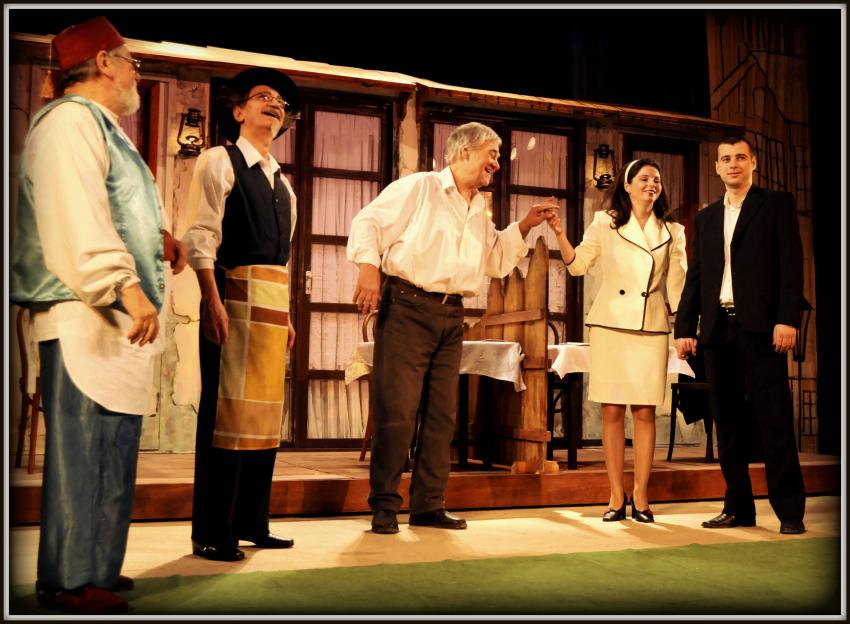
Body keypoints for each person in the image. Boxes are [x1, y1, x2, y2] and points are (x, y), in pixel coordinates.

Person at [10, 16, 186, 614]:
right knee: (83, 446)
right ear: (105, 62)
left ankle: (98, 569)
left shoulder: (103, 127)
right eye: (132, 60)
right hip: (83, 307)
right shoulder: (68, 122)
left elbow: (115, 208)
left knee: (114, 444)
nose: (136, 72)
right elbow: (76, 213)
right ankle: (68, 577)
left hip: (111, 310)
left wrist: (158, 241)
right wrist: (124, 286)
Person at [347, 122, 556, 534]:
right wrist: (368, 268)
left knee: (442, 416)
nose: (497, 163)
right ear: (464, 152)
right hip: (407, 305)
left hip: (451, 315)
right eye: (492, 154)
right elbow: (368, 222)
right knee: (397, 413)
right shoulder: (421, 187)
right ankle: (385, 506)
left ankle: (428, 504)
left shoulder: (478, 207)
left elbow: (494, 259)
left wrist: (526, 225)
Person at [183, 67, 301, 561]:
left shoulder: (284, 185)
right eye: (262, 96)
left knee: (263, 419)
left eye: (280, 102)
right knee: (225, 417)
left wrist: (287, 316)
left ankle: (254, 521)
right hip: (230, 297)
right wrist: (211, 300)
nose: (274, 104)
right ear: (238, 111)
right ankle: (213, 531)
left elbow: (282, 259)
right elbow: (201, 235)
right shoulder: (219, 160)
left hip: (271, 306)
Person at [674, 136, 806, 535]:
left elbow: (791, 265)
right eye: (726, 159)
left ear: (753, 163)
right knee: (727, 423)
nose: (733, 164)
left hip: (763, 329)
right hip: (718, 330)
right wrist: (685, 328)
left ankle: (790, 512)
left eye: (740, 158)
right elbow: (697, 276)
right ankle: (738, 507)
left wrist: (787, 319)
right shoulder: (708, 217)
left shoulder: (775, 204)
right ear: (717, 167)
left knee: (774, 419)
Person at [547, 158, 687, 523]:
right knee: (611, 410)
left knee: (644, 411)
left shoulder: (673, 230)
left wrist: (686, 326)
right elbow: (578, 265)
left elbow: (679, 284)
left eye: (656, 180)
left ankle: (641, 496)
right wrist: (559, 233)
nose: (651, 184)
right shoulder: (604, 222)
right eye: (644, 178)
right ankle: (615, 496)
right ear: (626, 184)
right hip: (610, 324)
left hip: (651, 326)